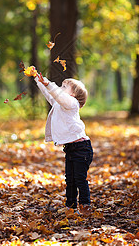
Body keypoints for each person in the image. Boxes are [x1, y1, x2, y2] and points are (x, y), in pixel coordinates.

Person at [34, 72, 93, 214]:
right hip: (71, 148)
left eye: (64, 86)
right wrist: (39, 79)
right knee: (70, 179)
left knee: (79, 178)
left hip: (81, 148)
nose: (60, 88)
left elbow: (58, 95)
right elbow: (50, 94)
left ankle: (85, 205)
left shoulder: (72, 104)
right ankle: (70, 206)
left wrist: (49, 84)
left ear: (73, 95)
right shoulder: (59, 103)